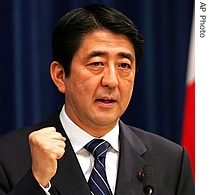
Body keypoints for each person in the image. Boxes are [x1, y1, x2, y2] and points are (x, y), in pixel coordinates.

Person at [0, 4, 194, 195]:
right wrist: (36, 181)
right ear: (60, 75)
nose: (111, 80)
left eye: (124, 65)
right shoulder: (8, 157)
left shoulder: (170, 161)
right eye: (97, 64)